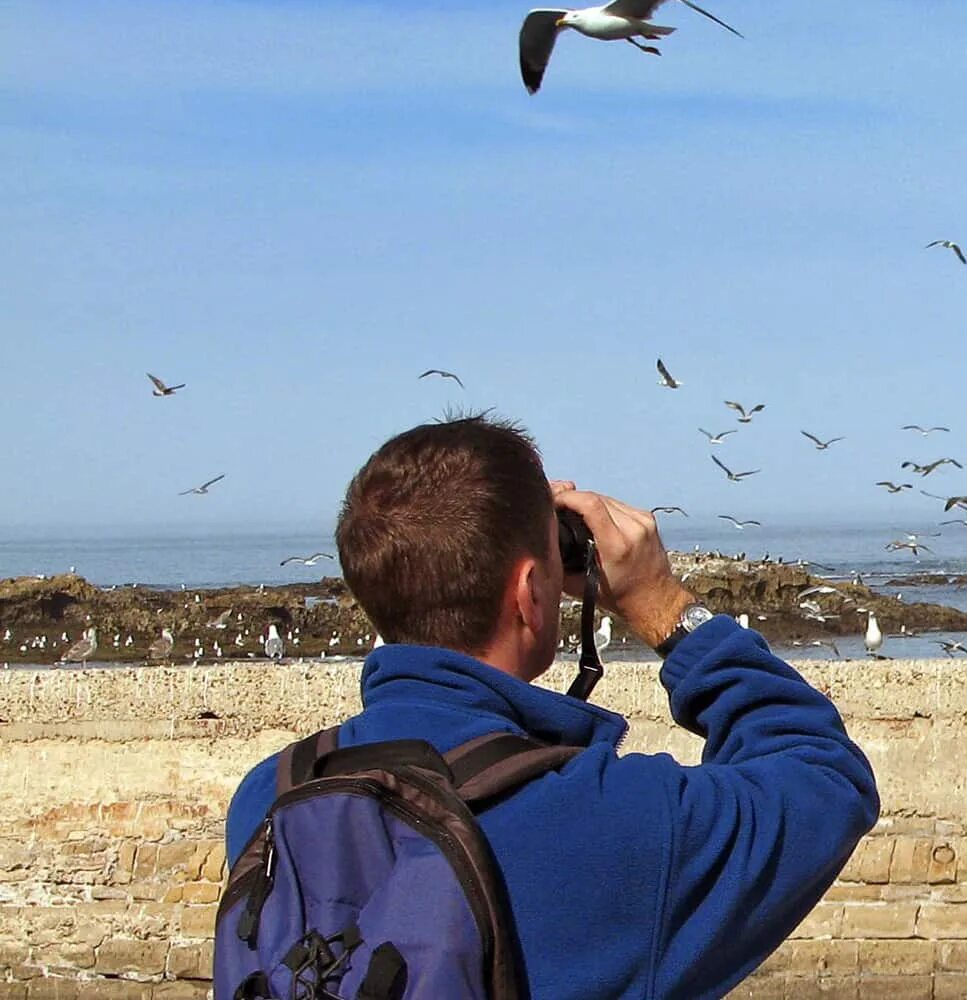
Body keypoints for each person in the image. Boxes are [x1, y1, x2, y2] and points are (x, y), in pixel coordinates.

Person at [223, 416, 880, 998]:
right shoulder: (619, 822)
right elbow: (824, 774)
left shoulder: (271, 800)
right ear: (531, 593)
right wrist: (660, 604)